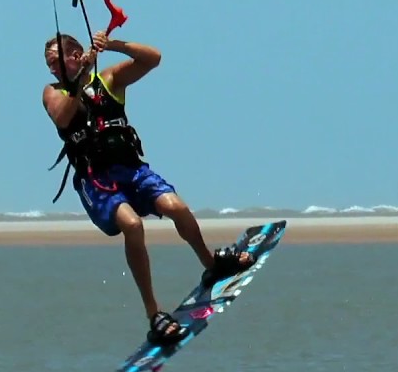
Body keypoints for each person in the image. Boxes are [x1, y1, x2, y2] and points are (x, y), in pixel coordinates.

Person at [42, 29, 254, 346]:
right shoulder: (54, 92)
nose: (54, 70)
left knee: (177, 208)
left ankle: (211, 265)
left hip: (132, 170)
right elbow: (62, 118)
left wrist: (111, 45)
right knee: (132, 224)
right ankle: (154, 315)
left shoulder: (109, 81)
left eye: (58, 62)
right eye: (51, 66)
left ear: (76, 55)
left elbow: (152, 58)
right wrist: (78, 79)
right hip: (97, 181)